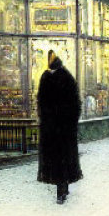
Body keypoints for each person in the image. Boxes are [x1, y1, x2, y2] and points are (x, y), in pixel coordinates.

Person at [36, 50, 82, 204]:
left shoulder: (47, 77)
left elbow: (41, 103)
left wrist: (45, 119)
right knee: (64, 158)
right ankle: (63, 187)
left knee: (56, 160)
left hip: (53, 128)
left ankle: (61, 191)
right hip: (64, 128)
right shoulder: (66, 77)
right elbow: (76, 103)